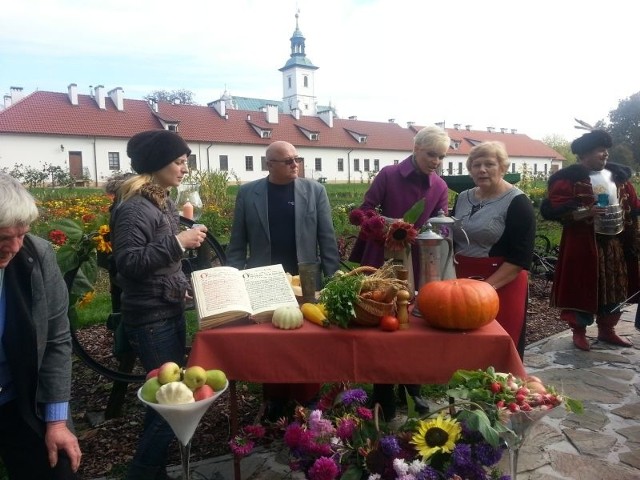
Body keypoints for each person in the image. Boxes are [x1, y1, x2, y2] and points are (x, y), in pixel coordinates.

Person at [110, 130, 207, 479]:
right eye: (179, 162)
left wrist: (179, 285)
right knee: (173, 402)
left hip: (165, 308)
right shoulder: (136, 208)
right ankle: (143, 471)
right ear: (156, 164)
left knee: (166, 397)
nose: (184, 169)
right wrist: (179, 243)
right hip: (151, 319)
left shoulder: (159, 200)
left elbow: (160, 265)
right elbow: (129, 262)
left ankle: (152, 470)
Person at [225, 140, 340, 420]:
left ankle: (309, 395)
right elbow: (238, 241)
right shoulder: (249, 193)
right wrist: (231, 279)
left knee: (309, 338)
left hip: (307, 277)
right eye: (288, 161)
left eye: (297, 159)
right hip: (265, 277)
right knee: (271, 339)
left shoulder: (314, 191)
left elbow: (326, 236)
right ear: (269, 165)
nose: (295, 165)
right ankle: (274, 397)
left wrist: (332, 273)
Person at [348, 125, 451, 420]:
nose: (436, 161)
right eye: (431, 154)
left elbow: (442, 224)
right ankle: (382, 393)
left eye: (441, 157)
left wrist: (431, 231)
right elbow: (365, 210)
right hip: (382, 255)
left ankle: (413, 387)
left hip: (417, 260)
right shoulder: (389, 175)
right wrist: (393, 224)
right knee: (383, 320)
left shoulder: (440, 186)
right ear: (416, 149)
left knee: (411, 322)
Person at [0, 173, 82, 479]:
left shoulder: (37, 254)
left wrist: (57, 421)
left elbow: (57, 339)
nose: (14, 247)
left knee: (57, 469)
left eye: (22, 234)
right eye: (2, 237)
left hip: (22, 395)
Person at [540, 129, 637, 351]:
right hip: (582, 245)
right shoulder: (568, 180)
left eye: (606, 151)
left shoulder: (618, 177)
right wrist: (586, 212)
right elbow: (557, 210)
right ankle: (579, 332)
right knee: (582, 287)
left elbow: (633, 207)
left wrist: (634, 238)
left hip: (614, 244)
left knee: (614, 287)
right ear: (584, 155)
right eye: (599, 151)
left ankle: (607, 330)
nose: (605, 155)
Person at [452, 141, 535, 359]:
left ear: (503, 167)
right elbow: (452, 237)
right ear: (470, 170)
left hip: (501, 282)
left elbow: (520, 258)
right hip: (463, 282)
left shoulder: (518, 203)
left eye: (490, 164)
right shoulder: (462, 197)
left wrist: (484, 290)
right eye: (476, 165)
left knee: (497, 350)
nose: (482, 169)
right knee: (465, 347)